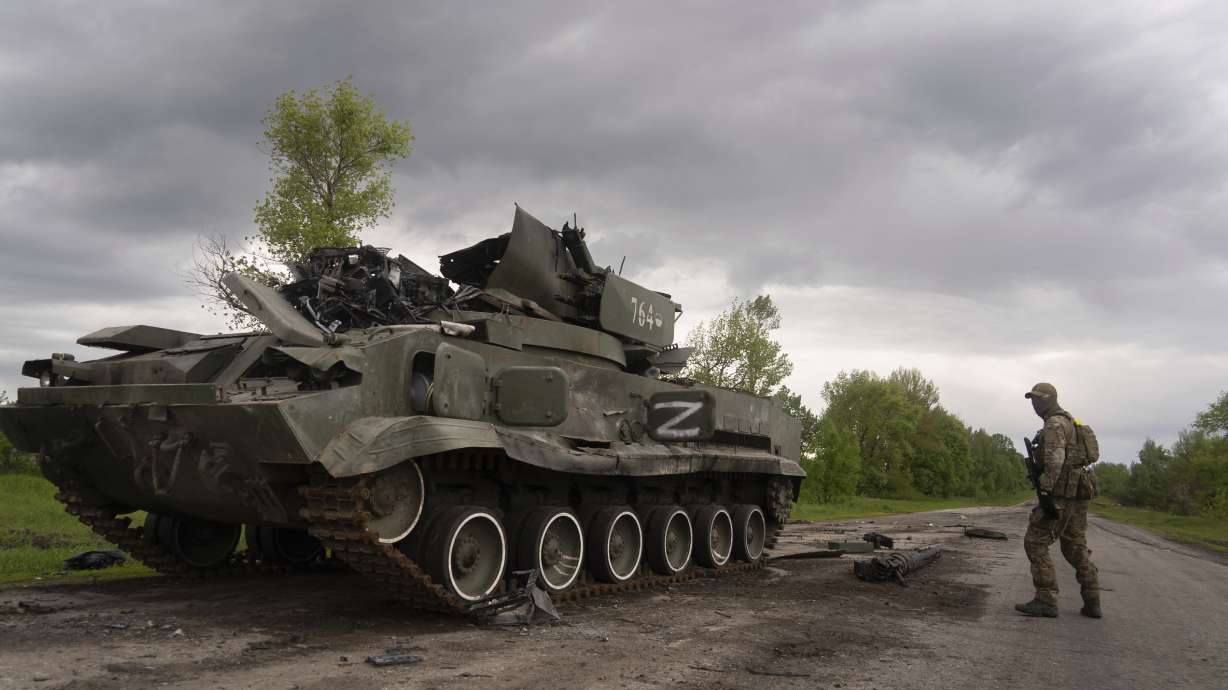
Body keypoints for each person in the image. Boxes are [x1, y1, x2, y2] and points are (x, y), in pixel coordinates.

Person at [1015, 382, 1102, 619]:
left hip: (1061, 494)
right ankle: (1092, 599)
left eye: (1037, 398)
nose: (1034, 403)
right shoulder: (1070, 421)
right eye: (1031, 399)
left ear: (1049, 399)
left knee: (1035, 541)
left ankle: (1046, 599)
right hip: (1077, 495)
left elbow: (1055, 460)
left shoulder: (1054, 424)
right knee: (1075, 547)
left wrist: (1045, 491)